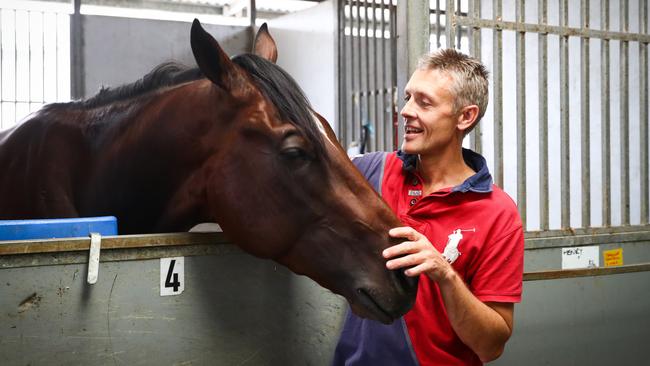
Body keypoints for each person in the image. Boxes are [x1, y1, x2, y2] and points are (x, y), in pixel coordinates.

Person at [332, 48, 524, 365]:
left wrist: (444, 274)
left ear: (466, 116)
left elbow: (491, 346)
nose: (406, 111)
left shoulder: (498, 213)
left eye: (424, 102)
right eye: (408, 97)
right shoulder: (370, 172)